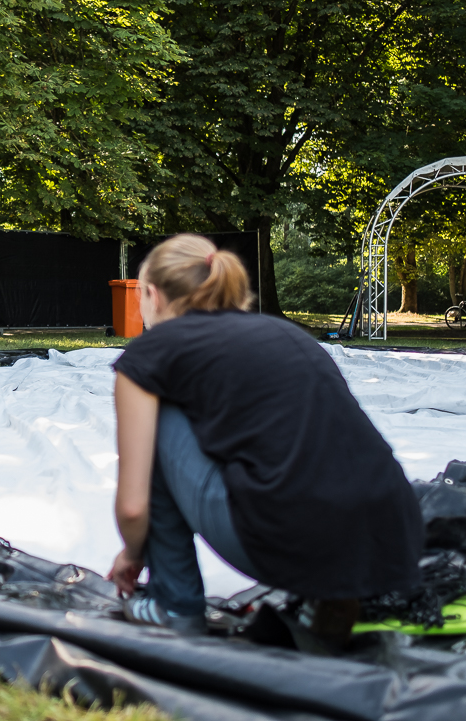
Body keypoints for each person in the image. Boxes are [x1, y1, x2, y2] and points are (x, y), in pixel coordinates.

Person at [107, 234, 423, 642]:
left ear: (151, 295)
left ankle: (174, 604)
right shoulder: (284, 333)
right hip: (392, 535)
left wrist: (133, 553)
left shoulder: (152, 353)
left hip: (283, 537)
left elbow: (133, 509)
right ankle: (322, 598)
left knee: (159, 420)